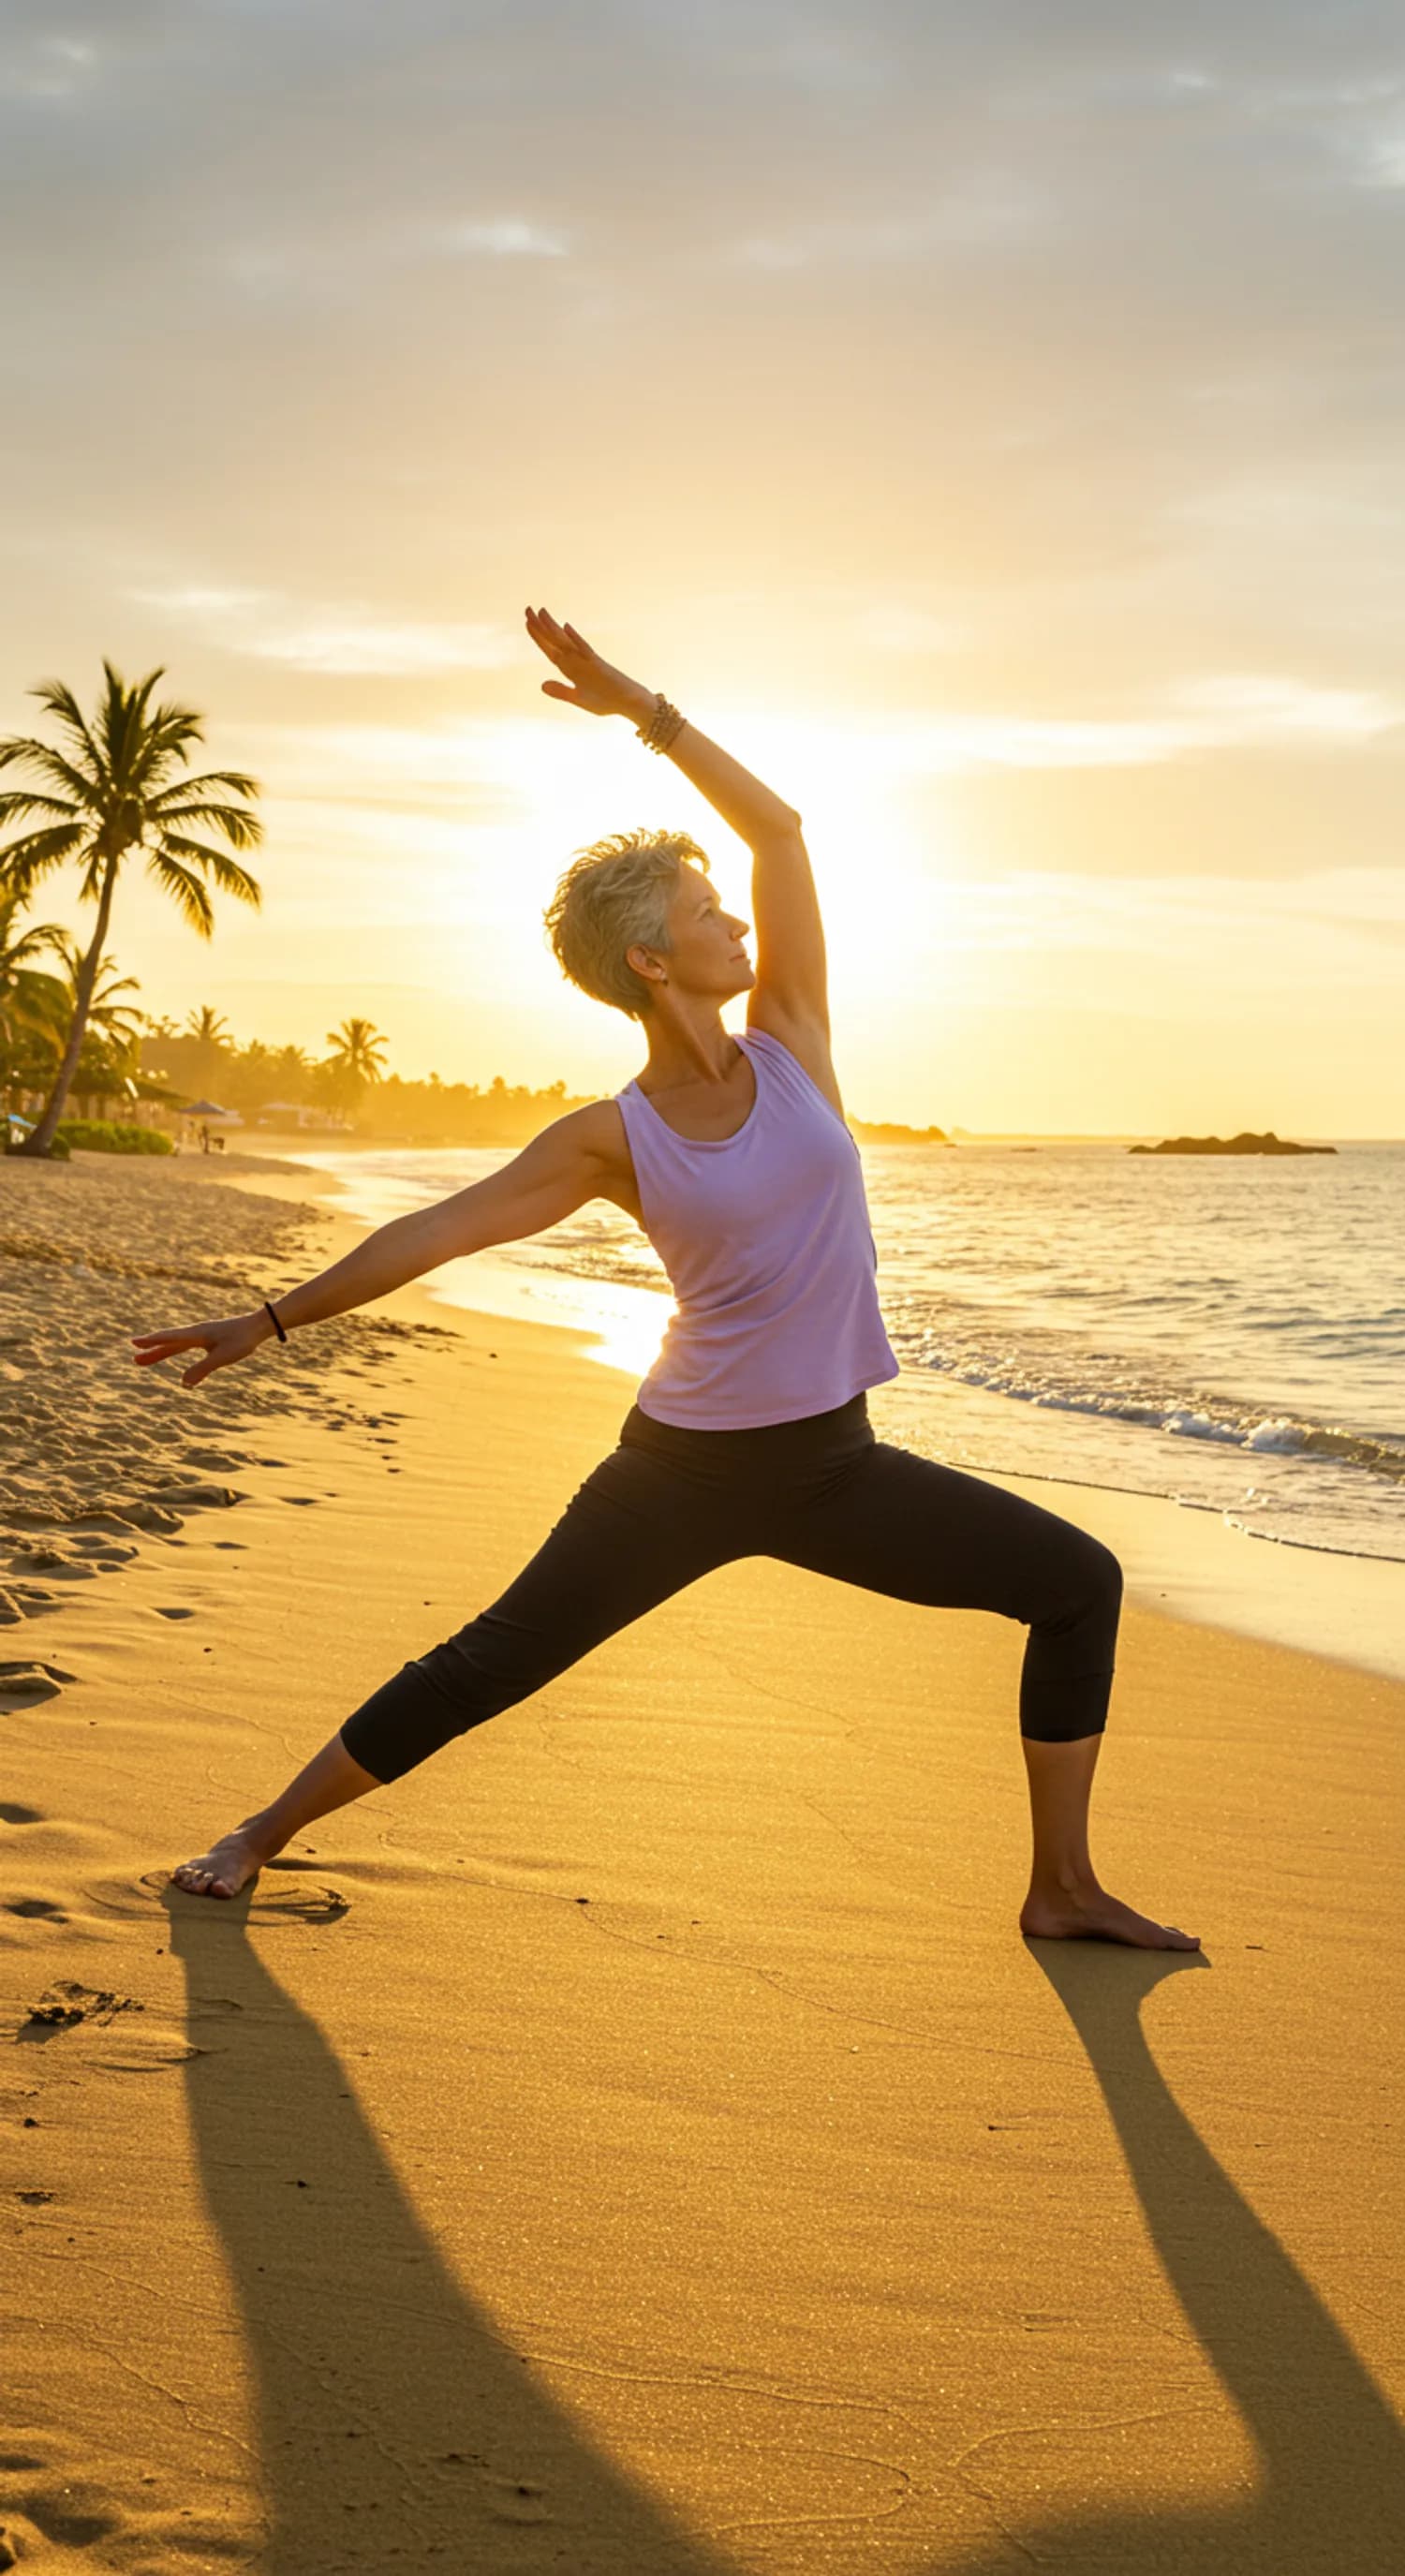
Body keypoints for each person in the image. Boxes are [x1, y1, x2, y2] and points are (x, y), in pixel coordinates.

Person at [133, 607, 1197, 1950]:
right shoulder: (609, 1138)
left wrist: (646, 711)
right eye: (704, 914)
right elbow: (442, 1230)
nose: (735, 920)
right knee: (492, 1662)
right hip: (679, 1472)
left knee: (1078, 1581)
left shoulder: (793, 1039)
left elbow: (782, 834)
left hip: (835, 1463)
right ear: (650, 960)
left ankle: (1061, 1887)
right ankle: (257, 1833)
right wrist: (269, 1318)